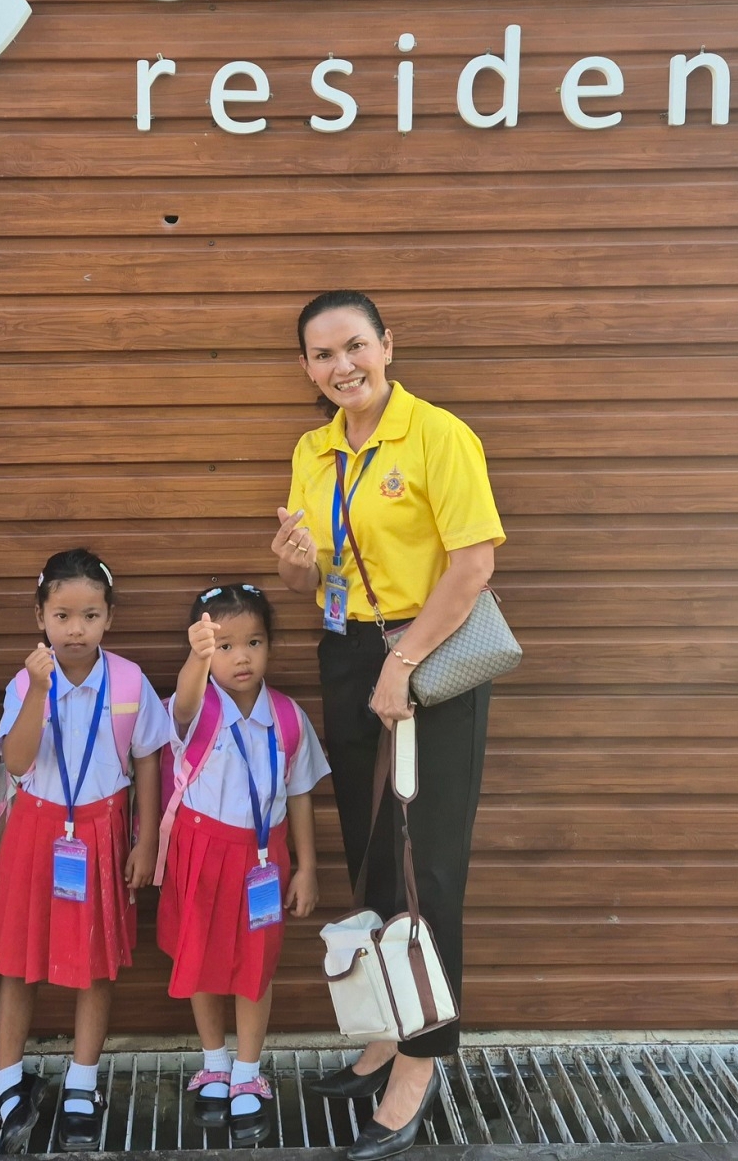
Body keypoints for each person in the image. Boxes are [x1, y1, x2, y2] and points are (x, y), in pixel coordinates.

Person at [270, 292, 504, 1161]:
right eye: (323, 354)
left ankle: (422, 1058)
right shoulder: (314, 451)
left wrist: (401, 664)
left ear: (386, 346)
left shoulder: (439, 436)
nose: (343, 366)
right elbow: (310, 584)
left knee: (426, 868)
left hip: (427, 657)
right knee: (371, 855)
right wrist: (294, 567)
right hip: (347, 652)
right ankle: (386, 1028)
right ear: (305, 368)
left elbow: (473, 563)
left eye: (355, 346)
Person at [0, 548, 172, 1152]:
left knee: (97, 962)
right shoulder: (26, 682)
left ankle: (81, 1082)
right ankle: (8, 1081)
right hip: (34, 829)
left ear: (109, 618)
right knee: (20, 961)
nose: (75, 629)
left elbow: (148, 759)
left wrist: (146, 839)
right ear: (40, 616)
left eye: (90, 616)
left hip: (103, 831)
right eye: (62, 615)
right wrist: (39, 691)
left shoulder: (129, 681)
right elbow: (17, 763)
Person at [156, 585, 326, 1146]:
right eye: (224, 646)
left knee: (257, 966)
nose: (242, 657)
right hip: (201, 853)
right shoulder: (196, 708)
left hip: (263, 861)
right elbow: (181, 705)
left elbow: (299, 794)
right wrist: (197, 657)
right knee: (200, 957)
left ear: (270, 645)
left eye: (253, 642)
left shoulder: (288, 717)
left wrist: (306, 867)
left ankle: (248, 1072)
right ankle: (214, 1063)